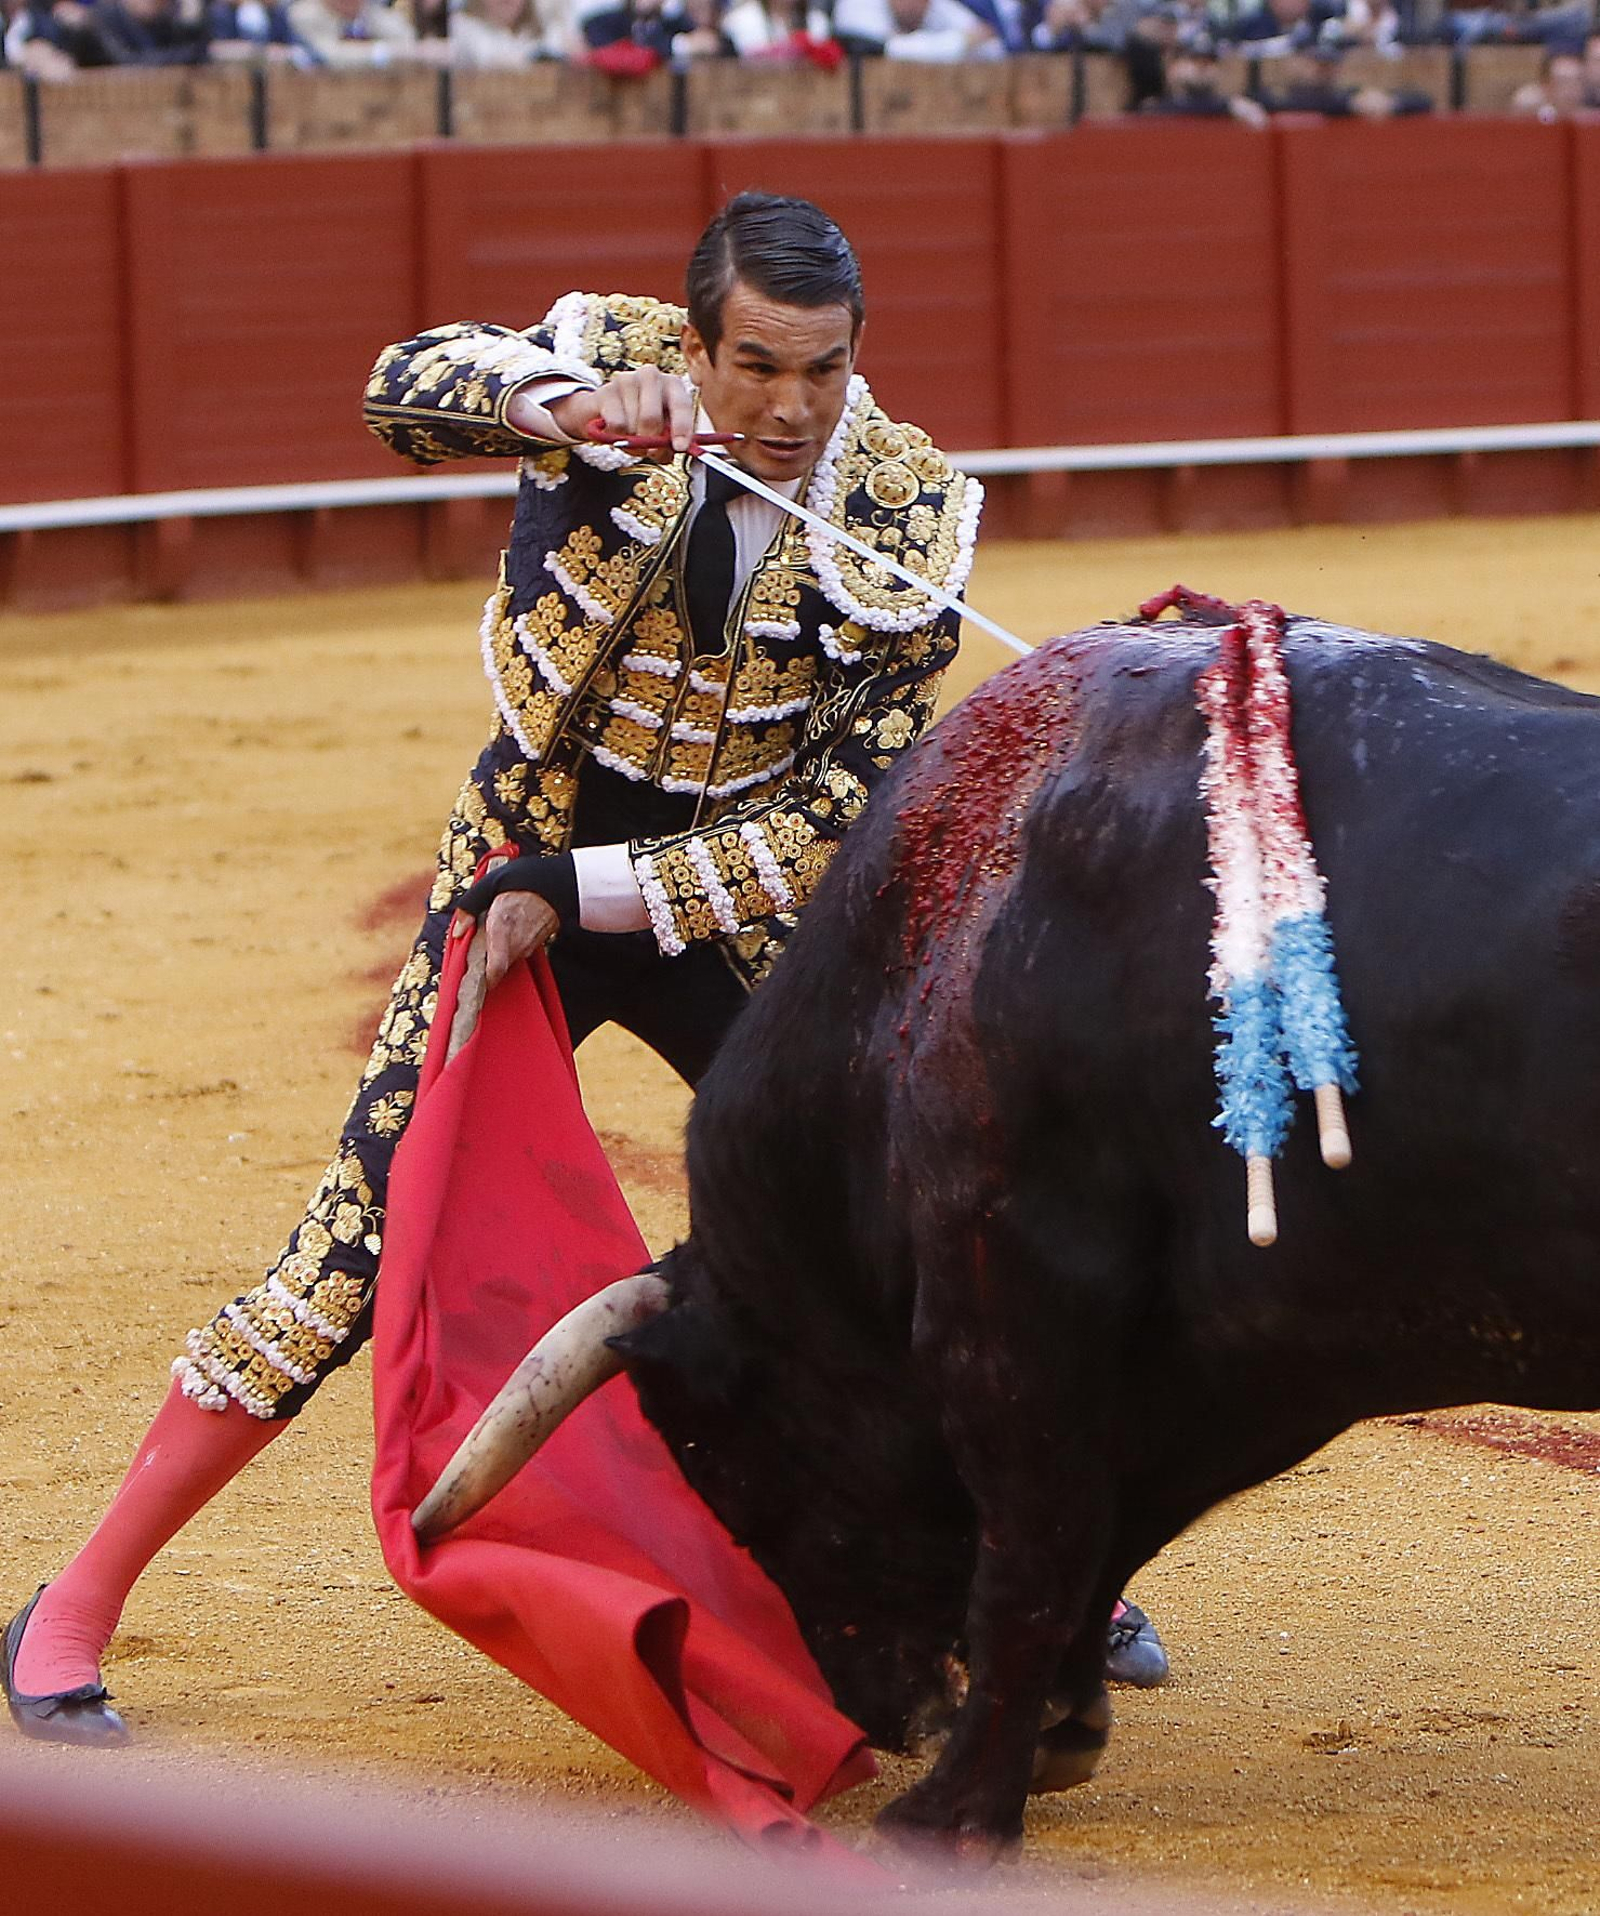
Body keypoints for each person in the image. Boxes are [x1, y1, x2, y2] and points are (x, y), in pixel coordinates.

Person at [3, 191, 1166, 1751]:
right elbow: (400, 386)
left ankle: (1059, 1576)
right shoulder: (602, 365)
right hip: (516, 859)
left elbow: (834, 818)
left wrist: (595, 892)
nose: (791, 408)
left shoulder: (910, 514)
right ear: (698, 341)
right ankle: (72, 1605)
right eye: (757, 366)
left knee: (917, 1230)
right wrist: (554, 406)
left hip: (719, 904)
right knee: (355, 1238)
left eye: (824, 371)